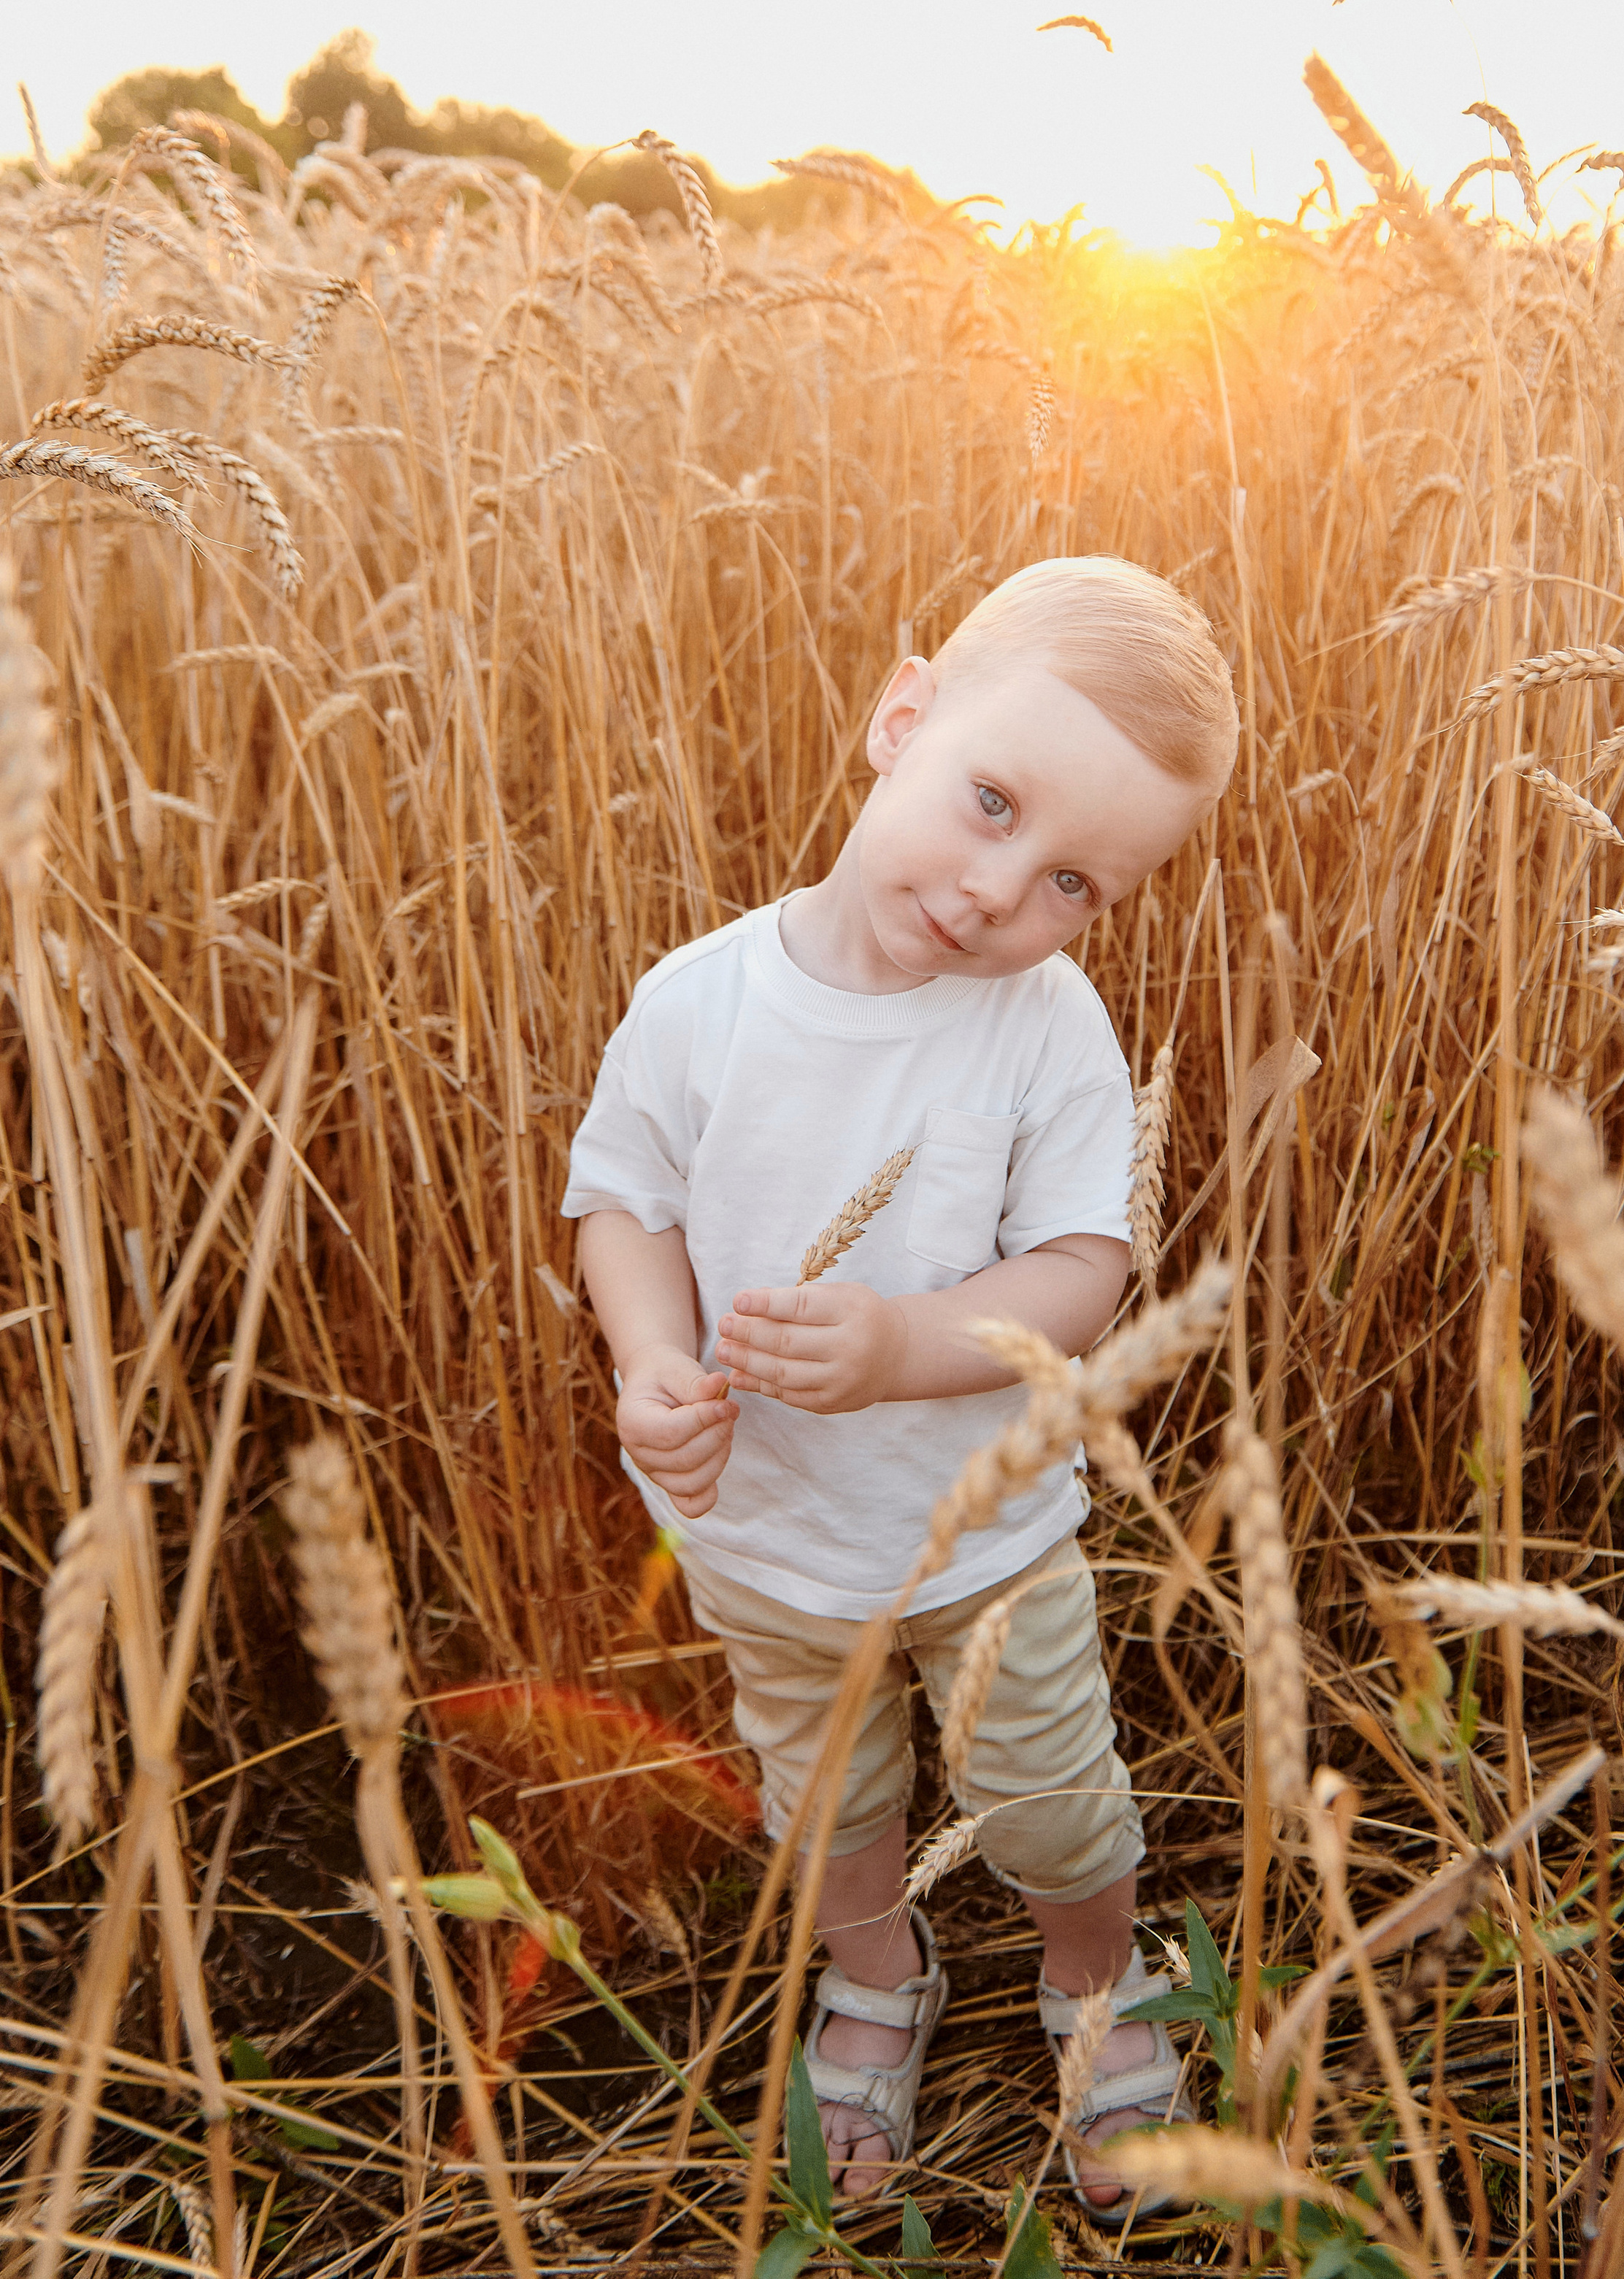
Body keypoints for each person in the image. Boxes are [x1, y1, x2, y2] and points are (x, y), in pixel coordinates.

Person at [564, 556, 1239, 2218]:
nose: (1000, 890)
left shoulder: (1042, 1032)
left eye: (1074, 879)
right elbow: (619, 1204)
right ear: (901, 716)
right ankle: (877, 1978)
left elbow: (1079, 1276)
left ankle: (1095, 1983)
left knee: (1051, 1799)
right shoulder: (701, 1000)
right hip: (766, 1541)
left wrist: (895, 1347)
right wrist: (653, 1359)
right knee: (826, 1808)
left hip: (987, 1539)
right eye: (990, 802)